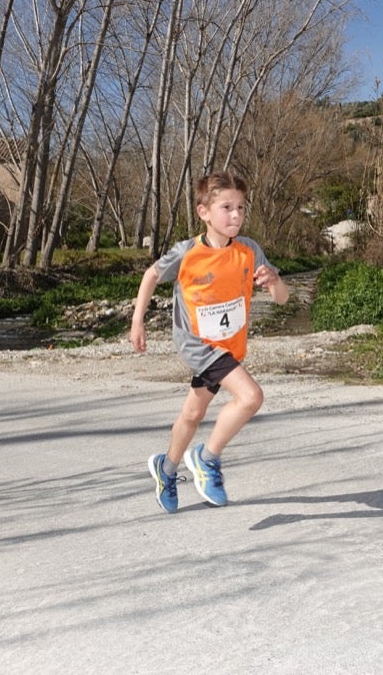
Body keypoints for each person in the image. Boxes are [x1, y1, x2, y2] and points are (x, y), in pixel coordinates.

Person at [130, 171, 289, 513]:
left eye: (241, 208)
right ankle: (206, 458)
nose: (235, 215)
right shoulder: (188, 252)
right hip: (196, 343)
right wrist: (137, 321)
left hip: (228, 346)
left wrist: (273, 281)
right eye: (226, 208)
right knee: (250, 396)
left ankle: (167, 468)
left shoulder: (249, 250)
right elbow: (152, 274)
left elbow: (282, 299)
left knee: (192, 413)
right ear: (204, 212)